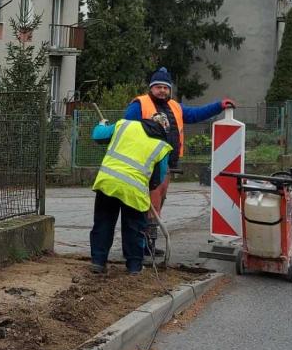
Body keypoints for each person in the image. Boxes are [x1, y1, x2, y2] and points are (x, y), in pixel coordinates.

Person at [123, 68, 234, 255]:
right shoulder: (139, 105)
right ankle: (140, 245)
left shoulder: (175, 107)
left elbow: (196, 114)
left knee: (158, 204)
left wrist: (218, 106)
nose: (162, 91)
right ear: (151, 88)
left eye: (166, 88)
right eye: (158, 87)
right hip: (145, 165)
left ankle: (148, 243)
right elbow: (125, 129)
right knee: (148, 205)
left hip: (166, 165)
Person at [88, 112, 172, 276]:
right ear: (164, 130)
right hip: (134, 190)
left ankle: (98, 262)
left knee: (103, 223)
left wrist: (102, 124)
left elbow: (98, 135)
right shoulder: (162, 146)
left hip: (108, 182)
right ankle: (134, 267)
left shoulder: (124, 125)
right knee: (134, 229)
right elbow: (158, 177)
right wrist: (149, 188)